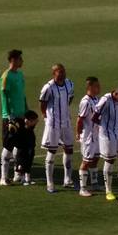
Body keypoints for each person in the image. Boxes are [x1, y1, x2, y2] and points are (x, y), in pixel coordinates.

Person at [39, 63, 75, 193]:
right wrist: (46, 116)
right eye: (60, 72)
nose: (63, 73)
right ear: (54, 73)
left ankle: (68, 179)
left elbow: (70, 97)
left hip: (66, 122)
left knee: (69, 149)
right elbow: (42, 103)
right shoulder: (48, 87)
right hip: (53, 123)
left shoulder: (69, 84)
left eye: (64, 71)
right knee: (52, 151)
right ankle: (50, 183)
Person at [96, 84, 118, 201]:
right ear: (116, 93)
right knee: (110, 160)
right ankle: (108, 190)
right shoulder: (105, 100)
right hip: (107, 134)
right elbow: (95, 116)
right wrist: (103, 126)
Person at [0, 50, 28, 183]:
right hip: (10, 117)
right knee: (8, 146)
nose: (22, 61)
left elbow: (22, 95)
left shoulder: (20, 75)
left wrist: (26, 110)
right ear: (13, 60)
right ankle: (3, 177)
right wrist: (9, 114)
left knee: (20, 146)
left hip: (21, 116)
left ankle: (18, 174)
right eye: (20, 59)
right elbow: (5, 96)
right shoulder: (6, 76)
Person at [76, 76, 101, 197]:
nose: (99, 87)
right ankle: (83, 188)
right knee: (86, 161)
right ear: (90, 87)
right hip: (88, 136)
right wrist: (78, 133)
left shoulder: (96, 99)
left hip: (97, 135)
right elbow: (80, 120)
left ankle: (94, 183)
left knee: (95, 158)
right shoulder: (85, 102)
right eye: (97, 86)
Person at [16, 111, 40, 186]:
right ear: (28, 120)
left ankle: (28, 179)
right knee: (22, 163)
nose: (35, 122)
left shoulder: (30, 127)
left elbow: (36, 120)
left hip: (30, 147)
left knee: (29, 162)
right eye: (33, 120)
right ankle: (22, 180)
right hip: (23, 149)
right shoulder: (21, 128)